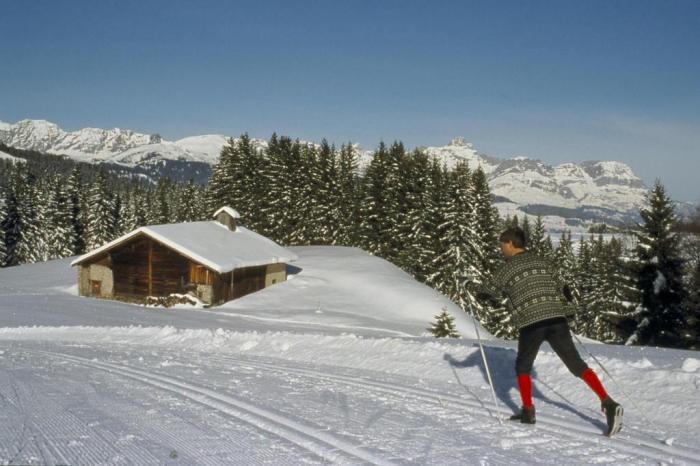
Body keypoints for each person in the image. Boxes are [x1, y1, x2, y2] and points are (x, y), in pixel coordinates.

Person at [479, 226, 623, 436]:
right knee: (577, 365)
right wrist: (569, 313)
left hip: (532, 323)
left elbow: (488, 292)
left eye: (502, 245)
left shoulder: (506, 268)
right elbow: (563, 289)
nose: (501, 249)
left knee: (523, 367)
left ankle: (528, 411)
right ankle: (608, 403)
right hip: (557, 320)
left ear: (510, 244)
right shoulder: (543, 262)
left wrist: (471, 286)